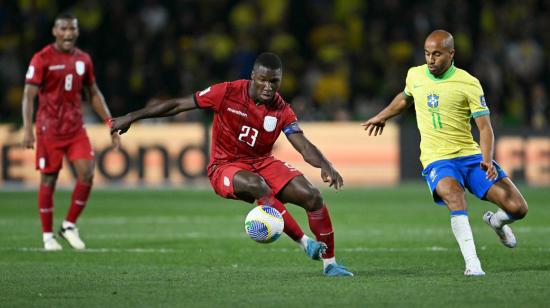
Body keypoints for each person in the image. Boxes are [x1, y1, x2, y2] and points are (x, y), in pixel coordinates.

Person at [111, 52, 353, 277]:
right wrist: (132, 116)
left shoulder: (281, 109)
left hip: (262, 162)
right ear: (253, 77)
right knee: (258, 185)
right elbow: (177, 105)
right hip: (224, 166)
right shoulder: (226, 92)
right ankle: (304, 243)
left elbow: (302, 144)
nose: (269, 87)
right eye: (263, 80)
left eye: (275, 82)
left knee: (313, 197)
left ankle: (330, 264)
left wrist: (324, 164)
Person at [362, 30, 528, 276]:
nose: (430, 59)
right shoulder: (415, 75)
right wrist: (382, 116)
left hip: (471, 158)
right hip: (438, 159)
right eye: (427, 54)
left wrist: (486, 159)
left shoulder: (468, 82)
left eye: (437, 54)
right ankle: (473, 264)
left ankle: (497, 221)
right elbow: (405, 98)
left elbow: (485, 128)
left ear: (451, 54)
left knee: (518, 208)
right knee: (454, 196)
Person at [22, 13, 120, 251]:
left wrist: (111, 123)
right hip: (49, 130)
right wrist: (28, 128)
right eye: (64, 29)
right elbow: (28, 95)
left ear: (77, 31)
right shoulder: (41, 58)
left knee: (87, 173)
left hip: (75, 128)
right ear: (55, 31)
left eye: (72, 29)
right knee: (49, 179)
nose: (69, 33)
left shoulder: (83, 60)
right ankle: (47, 236)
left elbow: (93, 93)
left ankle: (68, 225)